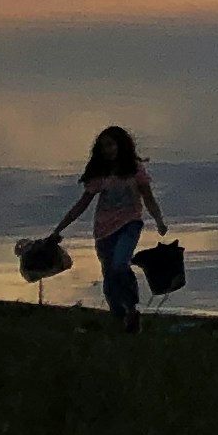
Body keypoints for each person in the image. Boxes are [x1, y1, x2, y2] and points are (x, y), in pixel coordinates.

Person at [48, 125, 169, 331]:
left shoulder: (135, 170)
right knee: (109, 274)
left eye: (111, 145)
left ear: (121, 146)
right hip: (103, 231)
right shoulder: (100, 175)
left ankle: (131, 308)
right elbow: (82, 203)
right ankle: (119, 317)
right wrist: (59, 229)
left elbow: (147, 197)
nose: (108, 150)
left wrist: (159, 220)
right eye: (103, 146)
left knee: (120, 265)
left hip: (130, 224)